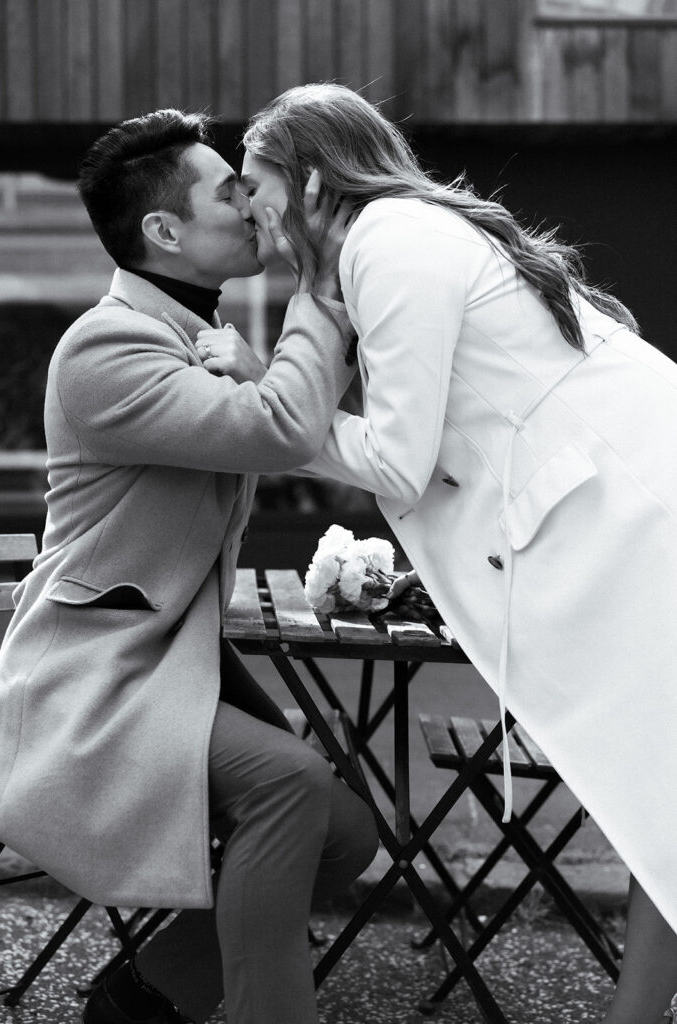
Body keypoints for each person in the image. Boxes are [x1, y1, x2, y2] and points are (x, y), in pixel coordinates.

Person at [201, 83, 677, 1024]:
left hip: (632, 523)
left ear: (306, 177)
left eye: (251, 184)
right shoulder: (389, 243)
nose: (245, 206)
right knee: (653, 789)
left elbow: (397, 466)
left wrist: (273, 400)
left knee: (654, 785)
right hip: (620, 517)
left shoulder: (390, 243)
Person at [0, 107, 378, 1024]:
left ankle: (149, 996)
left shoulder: (186, 335)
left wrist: (261, 360)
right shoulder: (106, 346)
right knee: (288, 788)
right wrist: (320, 284)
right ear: (163, 230)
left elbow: (277, 413)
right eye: (229, 190)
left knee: (347, 827)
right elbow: (279, 431)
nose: (252, 205)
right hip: (93, 677)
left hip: (170, 657)